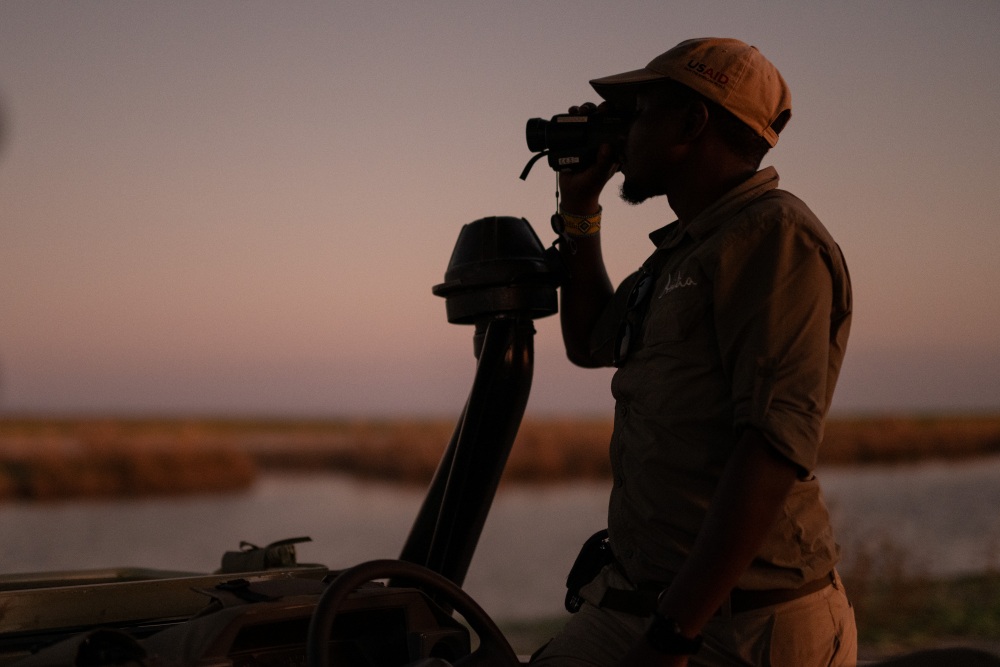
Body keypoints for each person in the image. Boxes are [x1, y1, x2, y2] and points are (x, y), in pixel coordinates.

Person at [530, 38, 856, 666]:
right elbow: (590, 340)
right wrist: (578, 208)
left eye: (639, 111)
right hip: (642, 603)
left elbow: (770, 445)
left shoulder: (774, 238)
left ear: (691, 121)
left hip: (741, 626)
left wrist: (673, 634)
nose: (621, 134)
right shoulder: (686, 250)